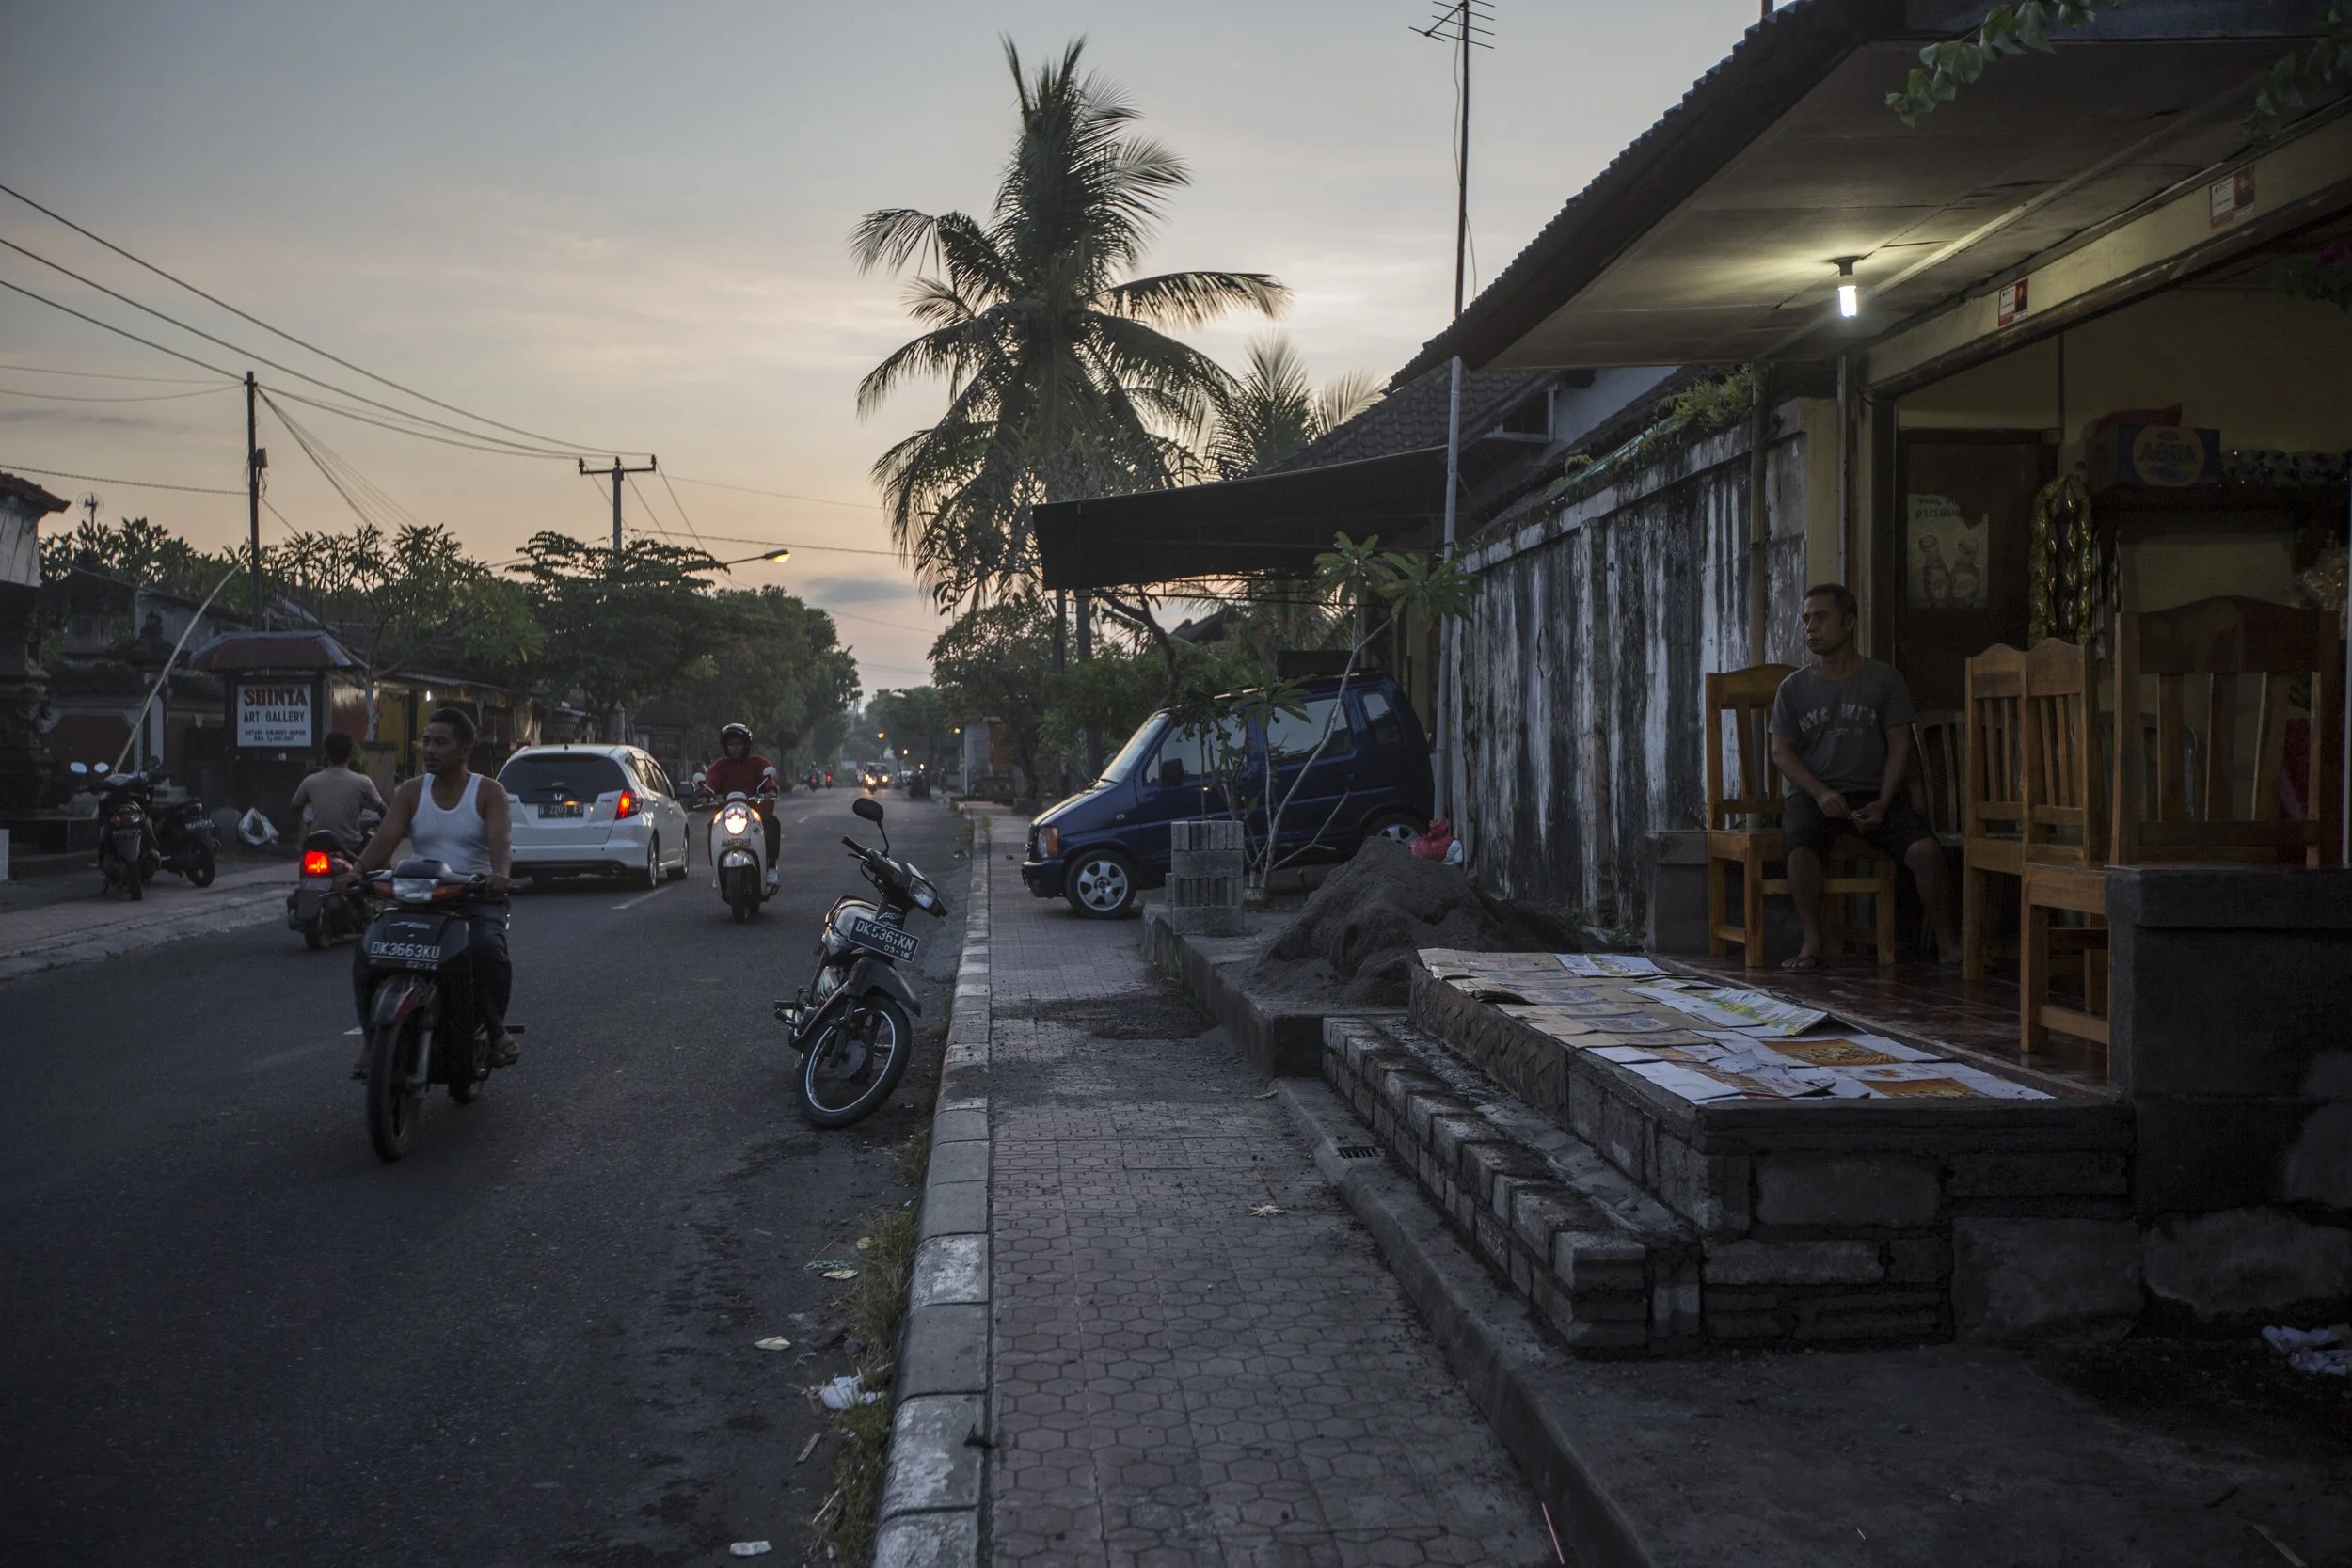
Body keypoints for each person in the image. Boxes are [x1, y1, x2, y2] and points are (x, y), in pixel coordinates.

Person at [1766, 583, 1957, 972]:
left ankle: (1948, 943)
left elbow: (1901, 746)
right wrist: (1820, 794)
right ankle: (1812, 941)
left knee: (1925, 851)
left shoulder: (1884, 680)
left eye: (1821, 618)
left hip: (1873, 793)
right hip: (1815, 795)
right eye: (1805, 619)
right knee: (1800, 849)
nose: (1810, 627)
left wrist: (1885, 800)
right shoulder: (1793, 688)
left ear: (1849, 622)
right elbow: (1780, 751)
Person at [346, 708, 518, 1076]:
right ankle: (371, 1039)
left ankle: (495, 1029)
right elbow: (385, 839)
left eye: (441, 741)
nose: (430, 749)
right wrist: (357, 872)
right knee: (368, 955)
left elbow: (500, 844)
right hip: (418, 895)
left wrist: (499, 875)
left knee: (486, 950)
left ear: (464, 750)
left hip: (474, 897)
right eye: (426, 740)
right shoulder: (410, 791)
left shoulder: (489, 792)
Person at [701, 721, 781, 893]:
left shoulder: (758, 763)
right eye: (731, 744)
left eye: (738, 744)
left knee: (773, 823)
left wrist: (771, 790)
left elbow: (768, 778)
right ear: (725, 747)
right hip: (728, 813)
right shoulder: (719, 766)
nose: (734, 748)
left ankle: (772, 867)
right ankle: (716, 870)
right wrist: (704, 795)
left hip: (756, 811)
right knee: (711, 827)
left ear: (746, 745)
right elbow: (711, 782)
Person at [289, 730, 386, 856]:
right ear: (351, 754)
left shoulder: (310, 781)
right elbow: (383, 810)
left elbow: (293, 808)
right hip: (352, 848)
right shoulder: (363, 782)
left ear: (326, 753)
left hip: (318, 846)